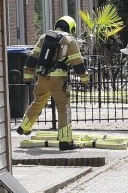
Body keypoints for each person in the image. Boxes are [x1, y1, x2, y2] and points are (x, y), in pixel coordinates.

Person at [19, 15, 85, 150]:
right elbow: (78, 63)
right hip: (59, 81)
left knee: (37, 103)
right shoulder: (69, 40)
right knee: (63, 108)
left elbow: (32, 58)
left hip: (43, 78)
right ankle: (65, 141)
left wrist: (27, 77)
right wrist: (85, 79)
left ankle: (24, 126)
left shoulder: (44, 38)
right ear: (71, 27)